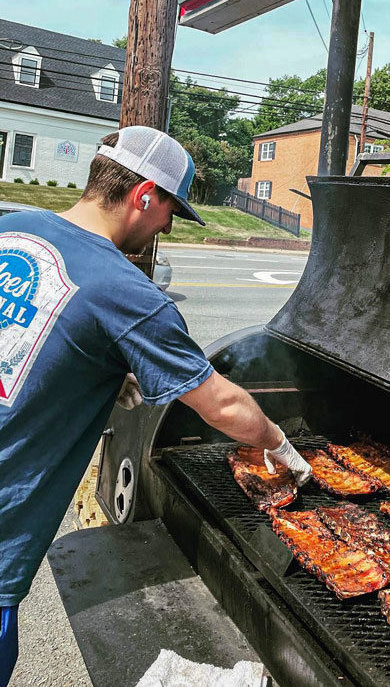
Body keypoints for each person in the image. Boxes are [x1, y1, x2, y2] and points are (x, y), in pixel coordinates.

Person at [0, 126, 311, 686]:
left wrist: (91, 367)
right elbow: (220, 405)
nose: (168, 226)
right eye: (171, 209)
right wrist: (279, 444)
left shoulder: (14, 228)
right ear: (144, 195)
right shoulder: (126, 290)